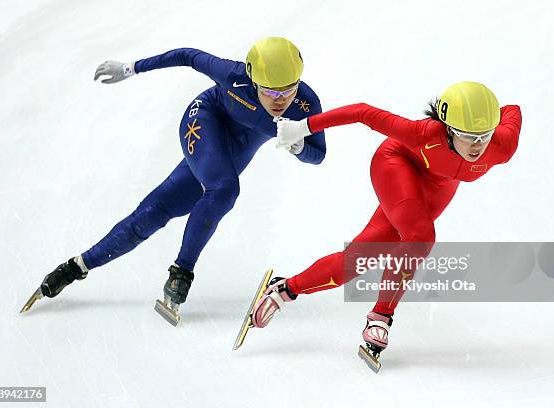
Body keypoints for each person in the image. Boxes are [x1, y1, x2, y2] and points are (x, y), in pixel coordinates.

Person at [21, 38, 326, 323]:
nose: (280, 100)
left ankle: (76, 266)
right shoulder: (232, 75)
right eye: (270, 92)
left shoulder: (306, 103)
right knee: (224, 189)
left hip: (234, 151)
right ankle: (181, 272)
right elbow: (186, 56)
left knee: (157, 210)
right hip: (204, 121)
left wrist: (298, 146)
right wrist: (130, 68)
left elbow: (318, 155)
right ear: (252, 79)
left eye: (288, 89)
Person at [250, 81, 522, 361]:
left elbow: (513, 110)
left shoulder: (502, 144)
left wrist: (482, 114)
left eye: (484, 135)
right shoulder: (422, 133)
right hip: (396, 164)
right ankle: (381, 316)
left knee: (358, 260)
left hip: (439, 183)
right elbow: (362, 112)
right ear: (447, 127)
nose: (477, 145)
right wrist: (303, 127)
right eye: (467, 135)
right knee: (420, 237)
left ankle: (285, 289)